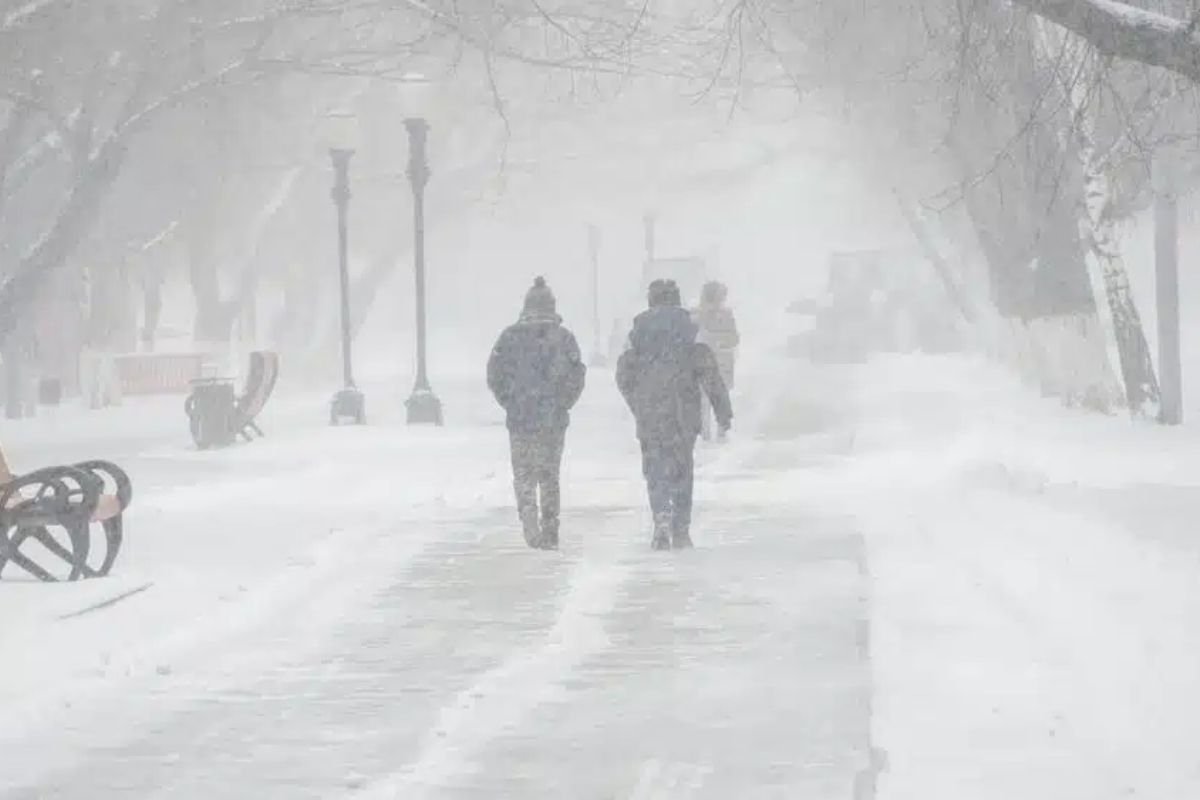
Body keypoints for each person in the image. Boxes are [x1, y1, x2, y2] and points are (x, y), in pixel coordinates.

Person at [617, 279, 732, 550]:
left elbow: (623, 372)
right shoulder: (691, 329)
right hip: (684, 411)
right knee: (682, 468)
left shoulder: (637, 332)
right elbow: (709, 373)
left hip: (651, 413)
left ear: (651, 300)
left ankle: (661, 514)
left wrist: (637, 401)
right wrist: (723, 412)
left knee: (655, 465)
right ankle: (681, 528)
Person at [487, 277, 586, 550]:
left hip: (520, 418)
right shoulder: (564, 338)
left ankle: (530, 522)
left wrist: (510, 401)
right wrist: (563, 402)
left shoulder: (509, 338)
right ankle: (550, 527)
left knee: (524, 474)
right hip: (552, 419)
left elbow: (494, 375)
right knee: (549, 474)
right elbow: (577, 375)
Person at [692, 281, 739, 441]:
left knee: (716, 398)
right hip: (705, 362)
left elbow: (734, 338)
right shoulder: (696, 316)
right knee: (704, 399)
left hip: (719, 362)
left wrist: (721, 343)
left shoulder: (725, 315)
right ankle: (706, 434)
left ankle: (720, 432)